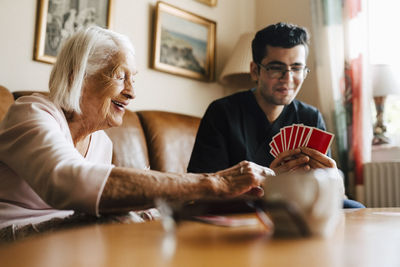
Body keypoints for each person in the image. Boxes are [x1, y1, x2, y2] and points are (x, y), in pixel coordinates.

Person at [0, 26, 271, 239]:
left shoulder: (102, 143)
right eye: (120, 76)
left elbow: (96, 203)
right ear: (77, 77)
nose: (131, 92)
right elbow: (66, 181)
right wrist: (213, 183)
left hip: (67, 240)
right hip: (12, 238)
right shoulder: (31, 112)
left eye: (133, 78)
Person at [187, 22, 364, 208]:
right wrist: (266, 186)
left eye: (296, 68)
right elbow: (202, 192)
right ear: (255, 71)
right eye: (276, 67)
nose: (287, 78)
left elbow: (326, 191)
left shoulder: (310, 117)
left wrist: (334, 182)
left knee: (355, 207)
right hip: (244, 207)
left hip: (298, 206)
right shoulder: (222, 112)